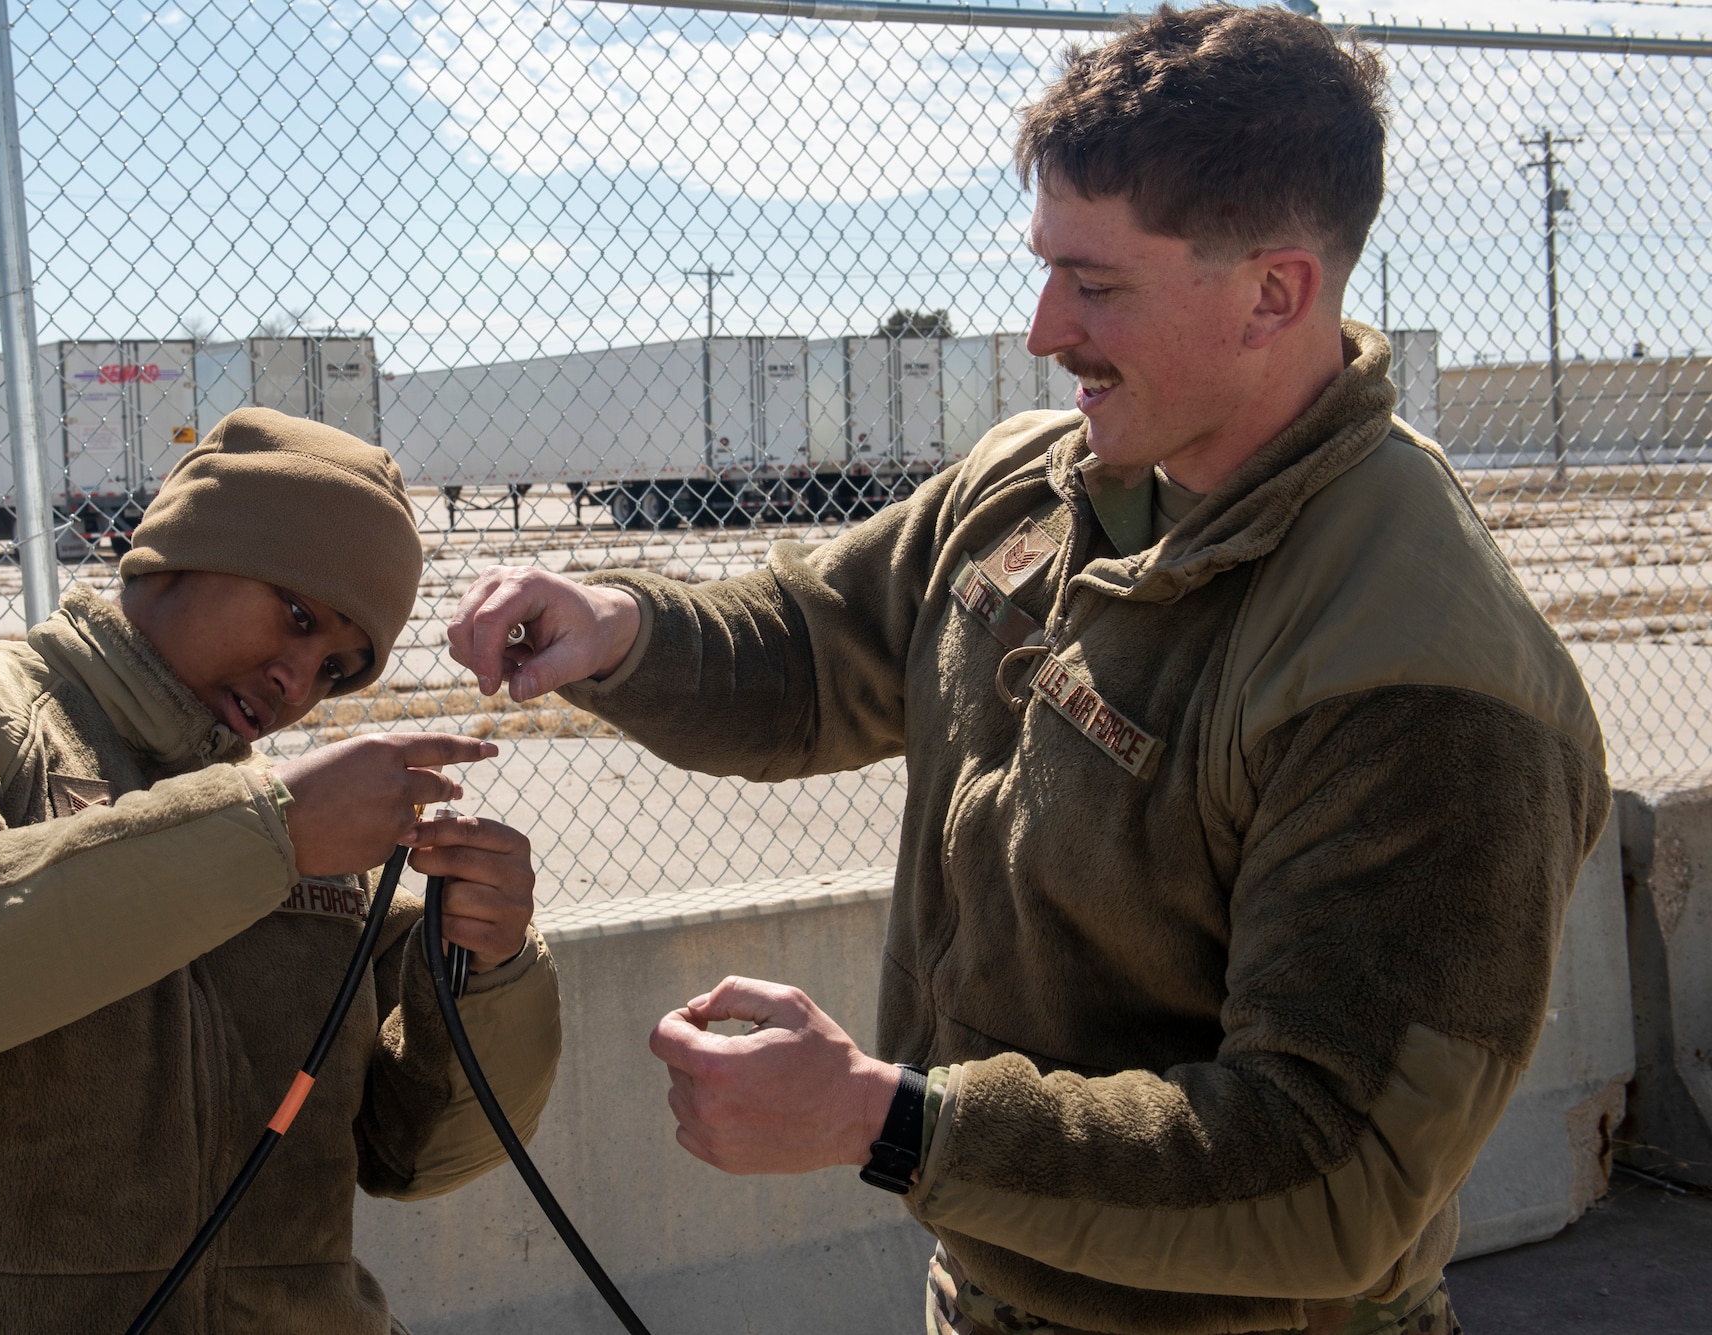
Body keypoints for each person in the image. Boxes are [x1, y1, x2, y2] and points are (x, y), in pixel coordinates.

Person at [446, 7, 1608, 1334]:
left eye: (1097, 283)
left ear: (1276, 291)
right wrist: (618, 626)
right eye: (1048, 266)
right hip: (995, 1285)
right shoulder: (1041, 480)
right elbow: (821, 648)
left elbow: (1333, 1173)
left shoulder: (1423, 676)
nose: (1045, 326)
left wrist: (890, 1120)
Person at [0, 407, 561, 1333]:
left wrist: (485, 966)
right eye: (295, 614)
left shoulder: (298, 828)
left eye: (337, 665)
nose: (298, 679)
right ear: (171, 551)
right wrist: (269, 835)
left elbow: (415, 1154)